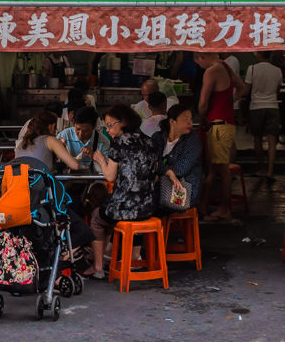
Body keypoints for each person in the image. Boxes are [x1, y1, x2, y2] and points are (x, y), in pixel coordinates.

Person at [85, 105, 159, 279]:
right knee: (111, 216)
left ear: (123, 122)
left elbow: (110, 177)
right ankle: (124, 256)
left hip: (125, 207)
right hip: (148, 207)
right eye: (106, 126)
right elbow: (154, 174)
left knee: (97, 218)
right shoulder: (150, 141)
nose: (108, 130)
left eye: (110, 125)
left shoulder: (119, 142)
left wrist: (101, 160)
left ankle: (98, 267)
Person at [195, 51, 249, 222]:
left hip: (218, 125)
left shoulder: (211, 71)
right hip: (225, 123)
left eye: (198, 63)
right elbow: (242, 88)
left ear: (201, 57)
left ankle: (225, 207)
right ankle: (203, 204)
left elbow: (202, 104)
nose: (200, 67)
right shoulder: (226, 67)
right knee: (213, 168)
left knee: (221, 167)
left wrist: (202, 121)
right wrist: (228, 102)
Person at [152, 103, 204, 211]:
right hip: (158, 188)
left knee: (144, 202)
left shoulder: (192, 140)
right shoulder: (158, 137)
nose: (190, 122)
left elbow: (180, 169)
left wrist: (160, 172)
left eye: (190, 119)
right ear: (172, 121)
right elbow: (150, 162)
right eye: (186, 119)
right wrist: (166, 172)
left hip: (182, 193)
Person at [245, 51, 284, 179]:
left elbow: (247, 89)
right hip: (273, 106)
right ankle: (270, 171)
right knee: (272, 141)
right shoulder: (277, 70)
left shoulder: (252, 69)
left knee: (257, 139)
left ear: (259, 55)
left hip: (256, 107)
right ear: (270, 55)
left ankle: (262, 168)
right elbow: (278, 91)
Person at [14, 110, 80, 171]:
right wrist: (59, 146)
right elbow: (75, 166)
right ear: (52, 126)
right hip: (40, 183)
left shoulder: (23, 143)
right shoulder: (51, 140)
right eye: (55, 129)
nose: (55, 132)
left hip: (20, 182)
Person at [57, 106, 109, 170]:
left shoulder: (103, 142)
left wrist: (94, 156)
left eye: (86, 131)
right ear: (74, 123)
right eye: (78, 129)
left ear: (94, 127)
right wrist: (58, 148)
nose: (80, 134)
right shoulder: (65, 136)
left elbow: (107, 169)